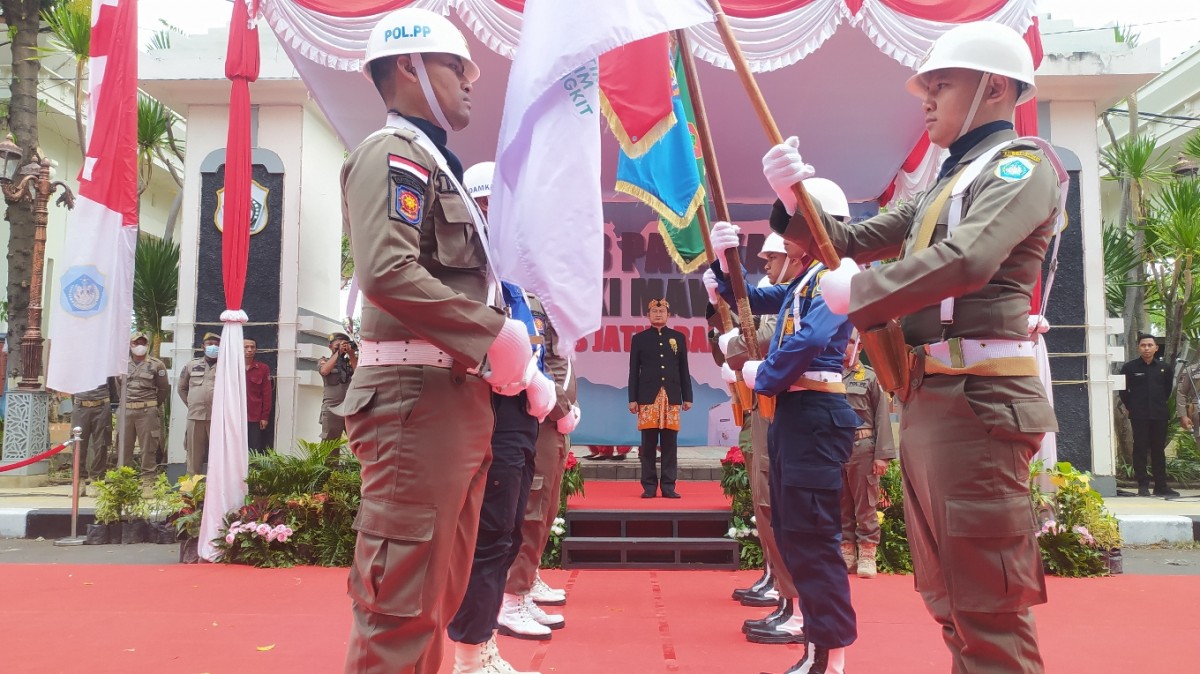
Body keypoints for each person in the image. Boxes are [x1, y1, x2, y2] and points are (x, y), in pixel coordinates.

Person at [762, 21, 1061, 673]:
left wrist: (862, 291)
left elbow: (970, 258)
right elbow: (848, 240)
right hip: (932, 398)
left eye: (941, 84)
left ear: (994, 88)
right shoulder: (944, 185)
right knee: (950, 598)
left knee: (986, 605)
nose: (925, 99)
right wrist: (792, 202)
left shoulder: (1021, 167)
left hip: (980, 403)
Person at [340, 9, 536, 674]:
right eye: (456, 65)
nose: (470, 80)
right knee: (400, 609)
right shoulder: (392, 153)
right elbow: (387, 271)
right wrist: (490, 334)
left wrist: (504, 346)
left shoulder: (433, 163)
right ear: (408, 66)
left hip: (448, 401)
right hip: (414, 403)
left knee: (436, 597)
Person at [709, 207, 857, 673]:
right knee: (794, 537)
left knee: (814, 539)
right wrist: (723, 262)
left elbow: (811, 339)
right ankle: (817, 648)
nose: (783, 237)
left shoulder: (836, 276)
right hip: (794, 413)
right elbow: (751, 297)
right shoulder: (804, 281)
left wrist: (766, 374)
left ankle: (829, 658)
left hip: (815, 411)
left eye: (791, 228)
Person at [448, 282, 556, 654]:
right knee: (490, 537)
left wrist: (536, 378)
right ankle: (472, 652)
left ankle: (483, 639)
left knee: (508, 533)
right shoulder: (481, 280)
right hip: (492, 408)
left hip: (521, 415)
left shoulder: (516, 293)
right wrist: (524, 373)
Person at [502, 289, 579, 634]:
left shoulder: (552, 301)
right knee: (532, 510)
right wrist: (560, 408)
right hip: (540, 416)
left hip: (554, 419)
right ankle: (512, 598)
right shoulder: (528, 300)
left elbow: (562, 364)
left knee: (546, 508)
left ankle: (526, 583)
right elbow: (537, 361)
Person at [839, 334, 896, 579]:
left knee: (865, 504)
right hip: (834, 449)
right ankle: (846, 552)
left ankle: (867, 554)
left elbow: (882, 417)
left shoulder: (870, 377)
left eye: (849, 342)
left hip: (862, 447)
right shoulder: (829, 376)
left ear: (859, 347)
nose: (843, 346)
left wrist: (882, 456)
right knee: (840, 503)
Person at [628, 299, 693, 498]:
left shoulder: (678, 337)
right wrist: (632, 398)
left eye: (662, 311)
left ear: (668, 315)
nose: (658, 314)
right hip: (648, 397)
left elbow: (684, 369)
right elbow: (633, 371)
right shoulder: (639, 339)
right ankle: (649, 486)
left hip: (671, 396)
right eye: (654, 311)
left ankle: (668, 486)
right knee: (648, 445)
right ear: (648, 315)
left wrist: (687, 396)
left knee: (669, 444)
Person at [1120, 334, 1179, 497]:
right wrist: (1130, 406)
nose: (1146, 348)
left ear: (1156, 348)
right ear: (1138, 348)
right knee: (1140, 448)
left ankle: (1160, 486)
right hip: (1139, 415)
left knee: (1158, 450)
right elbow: (1123, 390)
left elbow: (1167, 390)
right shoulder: (1129, 368)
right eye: (1143, 345)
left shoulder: (1164, 368)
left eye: (1150, 345)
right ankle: (1143, 485)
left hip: (1159, 414)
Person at [119, 332, 170, 481]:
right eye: (136, 343)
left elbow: (163, 389)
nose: (139, 346)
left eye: (143, 343)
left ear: (147, 345)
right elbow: (118, 387)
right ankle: (123, 479)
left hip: (147, 411)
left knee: (148, 447)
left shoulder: (156, 364)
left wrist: (152, 404)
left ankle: (148, 479)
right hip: (126, 410)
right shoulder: (122, 364)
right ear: (130, 345)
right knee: (123, 446)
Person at [178, 333, 220, 476]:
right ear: (203, 347)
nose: (213, 346)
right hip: (195, 416)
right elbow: (182, 388)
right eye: (210, 344)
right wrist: (191, 404)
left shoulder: (227, 366)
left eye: (216, 344)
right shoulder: (191, 365)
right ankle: (193, 486)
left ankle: (217, 485)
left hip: (218, 418)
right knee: (194, 454)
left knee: (219, 455)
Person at [74, 380, 117, 483]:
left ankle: (97, 478)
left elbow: (113, 388)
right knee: (78, 443)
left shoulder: (105, 369)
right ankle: (79, 479)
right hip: (80, 406)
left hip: (102, 406)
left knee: (101, 443)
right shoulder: (77, 368)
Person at [319, 332, 357, 442]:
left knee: (358, 441)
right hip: (332, 408)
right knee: (330, 444)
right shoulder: (324, 361)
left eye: (344, 345)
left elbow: (359, 374)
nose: (341, 347)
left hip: (351, 408)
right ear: (330, 346)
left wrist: (351, 354)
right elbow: (324, 371)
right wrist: (338, 353)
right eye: (337, 345)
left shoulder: (351, 361)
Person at [244, 338, 273, 453]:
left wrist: (264, 416)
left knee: (254, 449)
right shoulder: (231, 368)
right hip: (235, 416)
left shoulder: (263, 369)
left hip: (254, 416)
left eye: (252, 347)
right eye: (246, 347)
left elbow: (267, 394)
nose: (249, 350)